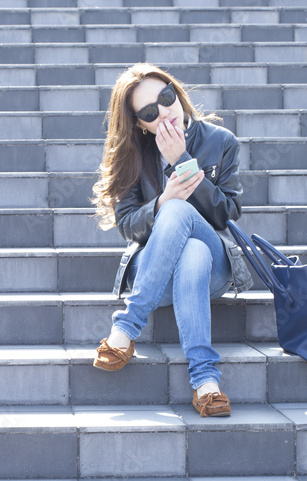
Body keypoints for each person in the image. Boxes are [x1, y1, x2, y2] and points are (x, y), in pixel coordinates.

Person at [90, 63, 253, 417]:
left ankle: (126, 327)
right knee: (181, 229)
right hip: (155, 273)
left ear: (175, 90)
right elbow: (129, 225)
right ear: (139, 123)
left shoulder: (220, 142)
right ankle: (205, 382)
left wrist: (182, 161)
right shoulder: (131, 154)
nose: (165, 111)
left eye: (167, 97)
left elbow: (226, 213)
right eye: (150, 111)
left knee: (186, 223)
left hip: (215, 270)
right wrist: (163, 201)